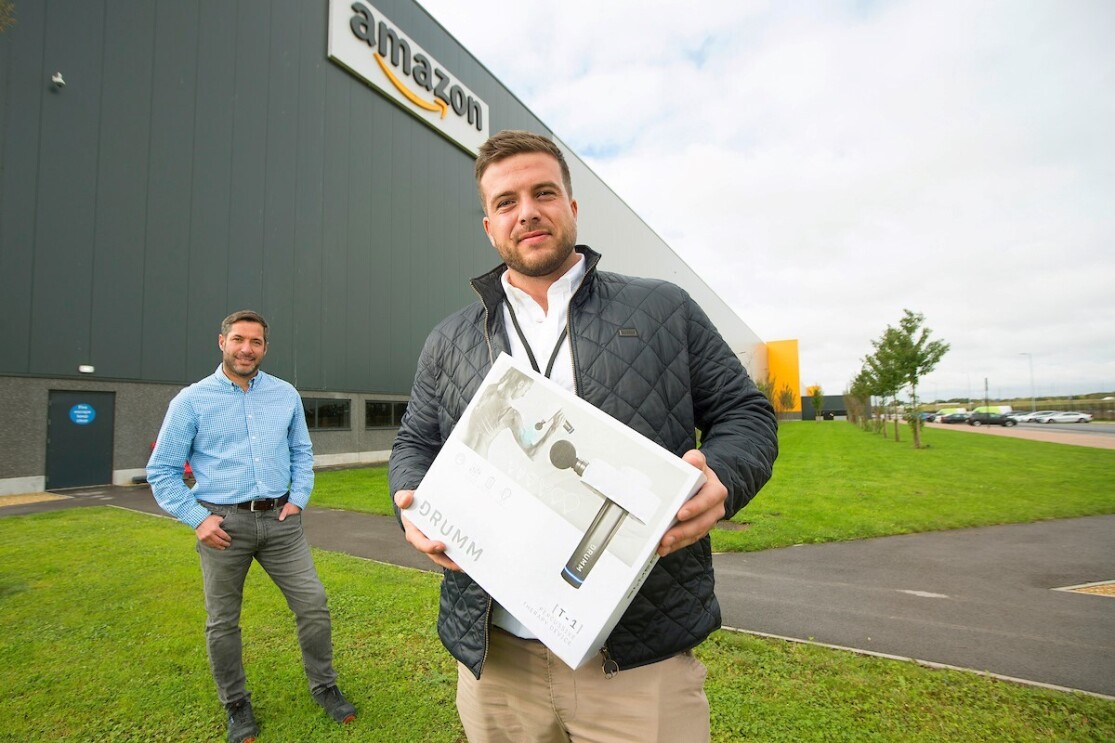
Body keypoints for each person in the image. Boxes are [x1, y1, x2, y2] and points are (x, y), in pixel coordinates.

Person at [389, 130, 779, 742]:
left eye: (544, 192)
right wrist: (410, 500)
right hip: (499, 660)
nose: (528, 211)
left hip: (636, 659)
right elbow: (415, 442)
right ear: (489, 226)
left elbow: (745, 413)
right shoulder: (450, 340)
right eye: (507, 201)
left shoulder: (662, 310)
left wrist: (723, 477)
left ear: (571, 207)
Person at [148, 310, 356, 743]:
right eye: (238, 339)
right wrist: (198, 519)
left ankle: (325, 687)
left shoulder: (285, 395)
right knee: (223, 621)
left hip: (282, 523)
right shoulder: (191, 400)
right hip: (223, 526)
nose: (246, 348)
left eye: (256, 342)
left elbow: (302, 452)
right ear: (221, 341)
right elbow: (162, 471)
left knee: (313, 605)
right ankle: (237, 705)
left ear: (265, 347)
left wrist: (298, 500)